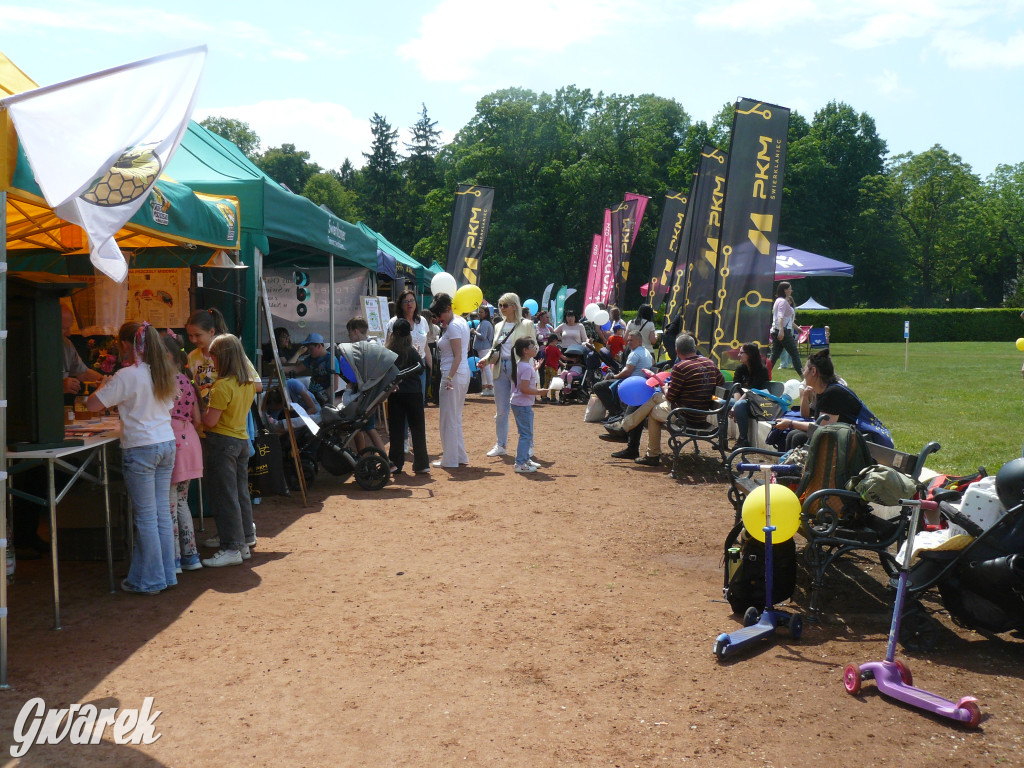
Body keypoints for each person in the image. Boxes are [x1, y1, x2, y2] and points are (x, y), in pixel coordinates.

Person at [87, 322, 178, 594]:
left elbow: (93, 405)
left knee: (148, 517)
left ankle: (150, 579)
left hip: (141, 448)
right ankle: (165, 575)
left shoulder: (127, 375)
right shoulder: (162, 372)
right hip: (166, 443)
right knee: (162, 513)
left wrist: (104, 384)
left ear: (126, 344)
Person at [199, 334, 257, 568]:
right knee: (239, 492)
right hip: (241, 441)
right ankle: (244, 539)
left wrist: (198, 414)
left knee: (225, 496)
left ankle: (233, 546)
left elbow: (211, 421)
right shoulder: (246, 383)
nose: (211, 361)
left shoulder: (222, 386)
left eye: (213, 356)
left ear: (221, 357)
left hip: (222, 443)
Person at [636, 334, 724, 465]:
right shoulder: (709, 362)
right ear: (694, 348)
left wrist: (664, 386)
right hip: (702, 414)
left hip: (685, 416)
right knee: (655, 398)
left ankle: (652, 455)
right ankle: (627, 425)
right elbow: (721, 382)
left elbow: (670, 396)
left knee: (654, 412)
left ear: (677, 351)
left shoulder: (681, 367)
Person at [162, 334, 203, 572]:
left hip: (171, 440)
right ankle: (191, 556)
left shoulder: (162, 381)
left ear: (166, 356)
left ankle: (174, 559)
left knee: (168, 503)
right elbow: (197, 418)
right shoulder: (188, 381)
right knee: (181, 501)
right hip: (190, 440)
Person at [478, 293, 536, 457]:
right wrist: (485, 359)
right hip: (499, 367)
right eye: (500, 305)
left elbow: (535, 347)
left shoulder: (527, 324)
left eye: (505, 305)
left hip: (518, 368)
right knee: (501, 410)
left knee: (523, 408)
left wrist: (526, 361)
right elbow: (494, 348)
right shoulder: (498, 326)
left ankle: (528, 444)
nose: (502, 308)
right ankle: (501, 444)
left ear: (514, 306)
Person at [774, 349, 861, 449]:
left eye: (804, 370)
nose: (803, 374)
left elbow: (822, 428)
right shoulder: (823, 391)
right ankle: (790, 464)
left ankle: (799, 464)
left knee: (798, 437)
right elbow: (817, 422)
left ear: (813, 371)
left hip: (853, 440)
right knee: (792, 435)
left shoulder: (833, 393)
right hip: (838, 434)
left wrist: (790, 423)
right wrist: (790, 423)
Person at [186, 308, 263, 408]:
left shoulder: (229, 353)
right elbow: (187, 384)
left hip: (229, 414)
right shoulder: (192, 356)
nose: (193, 340)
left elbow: (258, 386)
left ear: (212, 331)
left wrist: (220, 388)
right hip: (204, 412)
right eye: (190, 335)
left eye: (197, 335)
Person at [386, 318, 430, 475]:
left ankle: (396, 463)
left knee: (396, 430)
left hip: (395, 394)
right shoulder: (411, 351)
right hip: (414, 393)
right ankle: (422, 464)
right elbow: (421, 368)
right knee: (418, 428)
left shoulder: (388, 352)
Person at [432, 293, 470, 468]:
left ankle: (450, 459)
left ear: (448, 309)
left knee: (448, 418)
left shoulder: (454, 326)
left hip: (452, 374)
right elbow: (464, 350)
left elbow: (458, 356)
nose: (439, 319)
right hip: (459, 374)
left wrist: (448, 377)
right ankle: (458, 456)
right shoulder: (460, 322)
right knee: (454, 417)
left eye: (440, 315)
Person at [593, 330, 653, 423]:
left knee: (598, 386)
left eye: (631, 340)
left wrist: (613, 376)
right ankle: (617, 411)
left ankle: (615, 412)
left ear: (639, 341)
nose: (629, 342)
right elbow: (653, 363)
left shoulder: (634, 354)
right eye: (628, 340)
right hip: (642, 382)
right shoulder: (646, 352)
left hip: (631, 383)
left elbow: (627, 373)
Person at [386, 290, 433, 401]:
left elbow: (425, 346)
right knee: (402, 402)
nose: (409, 304)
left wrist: (431, 366)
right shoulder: (394, 322)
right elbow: (387, 346)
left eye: (412, 300)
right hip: (400, 368)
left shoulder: (422, 321)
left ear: (416, 303)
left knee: (419, 401)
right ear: (400, 305)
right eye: (405, 301)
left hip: (419, 367)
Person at [510, 338, 547, 473]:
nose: (535, 348)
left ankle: (524, 459)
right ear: (525, 351)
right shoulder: (525, 367)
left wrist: (534, 369)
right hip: (522, 404)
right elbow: (524, 388)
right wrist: (539, 392)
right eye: (533, 346)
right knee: (526, 434)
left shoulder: (522, 365)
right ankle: (520, 463)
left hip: (520, 403)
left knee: (526, 433)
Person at [731, 343, 770, 449]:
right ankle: (723, 438)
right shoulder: (740, 368)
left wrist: (736, 405)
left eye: (741, 352)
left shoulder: (761, 370)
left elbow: (753, 390)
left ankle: (743, 439)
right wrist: (736, 403)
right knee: (723, 404)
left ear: (750, 355)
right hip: (742, 399)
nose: (739, 354)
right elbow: (736, 387)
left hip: (757, 402)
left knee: (739, 405)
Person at [61, 305, 103, 396]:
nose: (69, 333)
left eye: (70, 327)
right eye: (64, 328)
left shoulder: (66, 344)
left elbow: (84, 374)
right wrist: (58, 386)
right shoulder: (33, 346)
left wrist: (110, 385)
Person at [769, 282, 802, 374]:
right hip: (782, 331)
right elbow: (780, 316)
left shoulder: (778, 300)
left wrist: (796, 328)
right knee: (795, 354)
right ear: (785, 290)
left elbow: (787, 320)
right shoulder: (783, 302)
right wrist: (781, 331)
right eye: (790, 288)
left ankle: (763, 377)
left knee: (774, 356)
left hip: (775, 330)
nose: (791, 290)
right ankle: (805, 379)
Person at [473, 305, 495, 397]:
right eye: (479, 312)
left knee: (485, 367)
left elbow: (483, 336)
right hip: (483, 348)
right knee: (484, 368)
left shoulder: (485, 323)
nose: (479, 313)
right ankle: (486, 387)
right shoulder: (484, 323)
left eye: (481, 312)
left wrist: (474, 331)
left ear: (486, 313)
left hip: (484, 348)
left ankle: (490, 387)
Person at [541, 334, 562, 402]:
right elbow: (562, 357)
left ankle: (544, 396)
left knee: (546, 382)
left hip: (547, 367)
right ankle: (553, 397)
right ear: (554, 340)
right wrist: (572, 359)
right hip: (553, 367)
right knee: (554, 383)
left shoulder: (546, 348)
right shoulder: (556, 349)